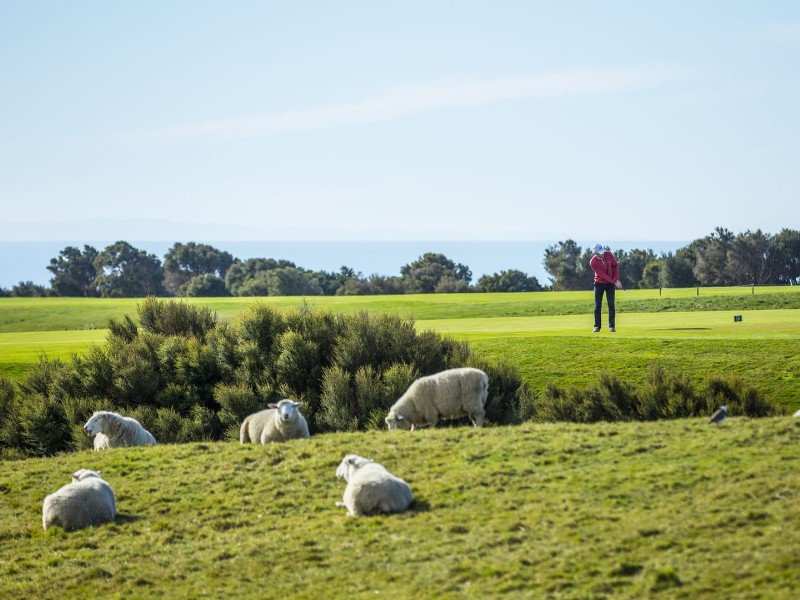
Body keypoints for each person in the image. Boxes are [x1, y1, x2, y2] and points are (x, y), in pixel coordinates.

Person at [589, 243, 622, 332]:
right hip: (599, 283)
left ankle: (612, 326)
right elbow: (602, 275)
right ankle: (597, 327)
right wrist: (614, 282)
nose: (602, 253)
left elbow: (615, 266)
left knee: (611, 304)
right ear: (596, 253)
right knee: (597, 305)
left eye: (602, 251)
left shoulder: (608, 254)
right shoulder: (593, 262)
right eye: (600, 252)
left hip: (610, 284)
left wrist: (617, 279)